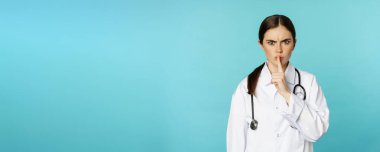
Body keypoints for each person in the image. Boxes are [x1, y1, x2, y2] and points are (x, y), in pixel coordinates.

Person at [226, 14, 329, 152]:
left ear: (294, 44)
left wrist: (287, 94)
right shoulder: (245, 87)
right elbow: (235, 144)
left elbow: (317, 132)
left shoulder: (308, 82)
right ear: (261, 44)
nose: (279, 50)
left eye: (286, 42)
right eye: (271, 42)